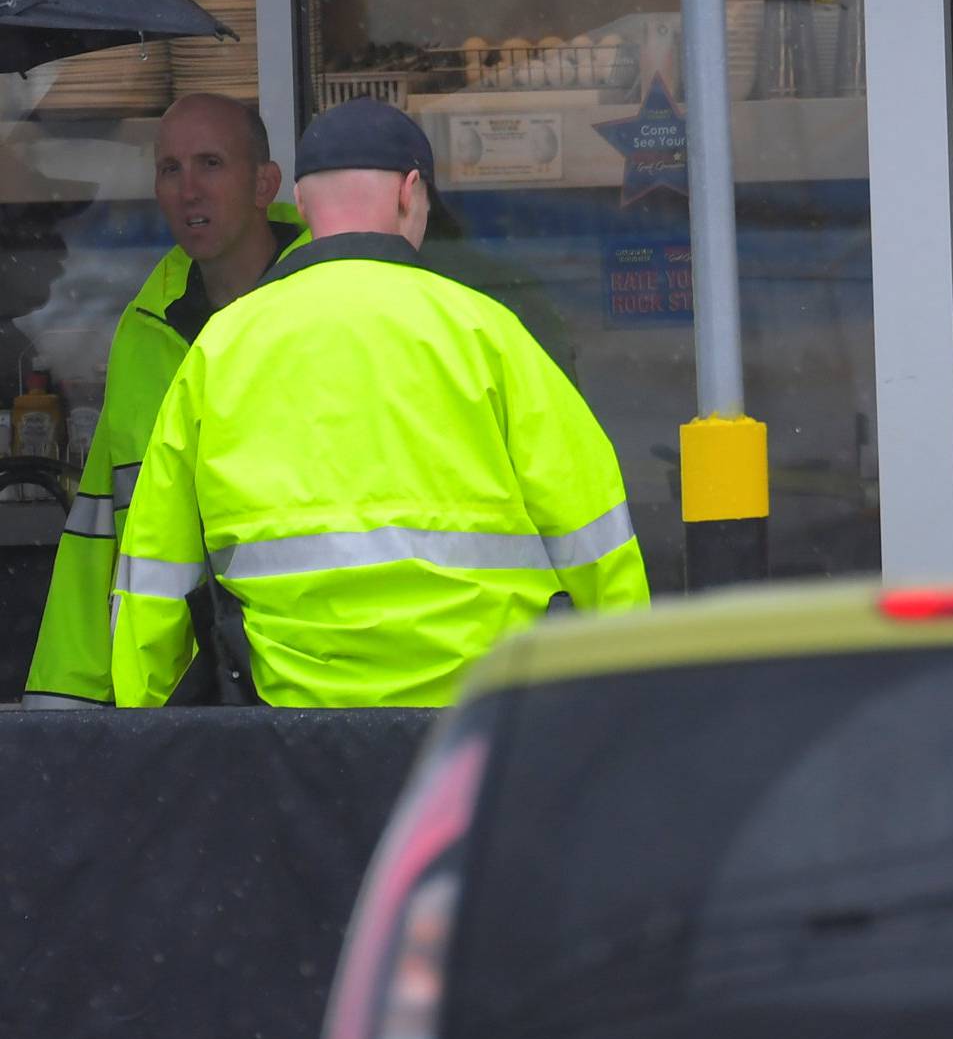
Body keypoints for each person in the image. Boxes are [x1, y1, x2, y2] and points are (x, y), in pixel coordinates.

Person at [110, 98, 648, 710]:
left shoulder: (221, 347)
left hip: (296, 730)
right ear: (408, 193)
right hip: (481, 722)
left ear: (305, 206)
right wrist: (623, 701)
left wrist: (143, 726)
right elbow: (596, 539)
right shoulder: (487, 333)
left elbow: (153, 572)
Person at [24, 95, 304, 707]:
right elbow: (101, 528)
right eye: (170, 169)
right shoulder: (145, 329)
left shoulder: (327, 312)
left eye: (210, 163)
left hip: (314, 681)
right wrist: (65, 701)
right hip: (176, 696)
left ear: (264, 183)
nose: (188, 191)